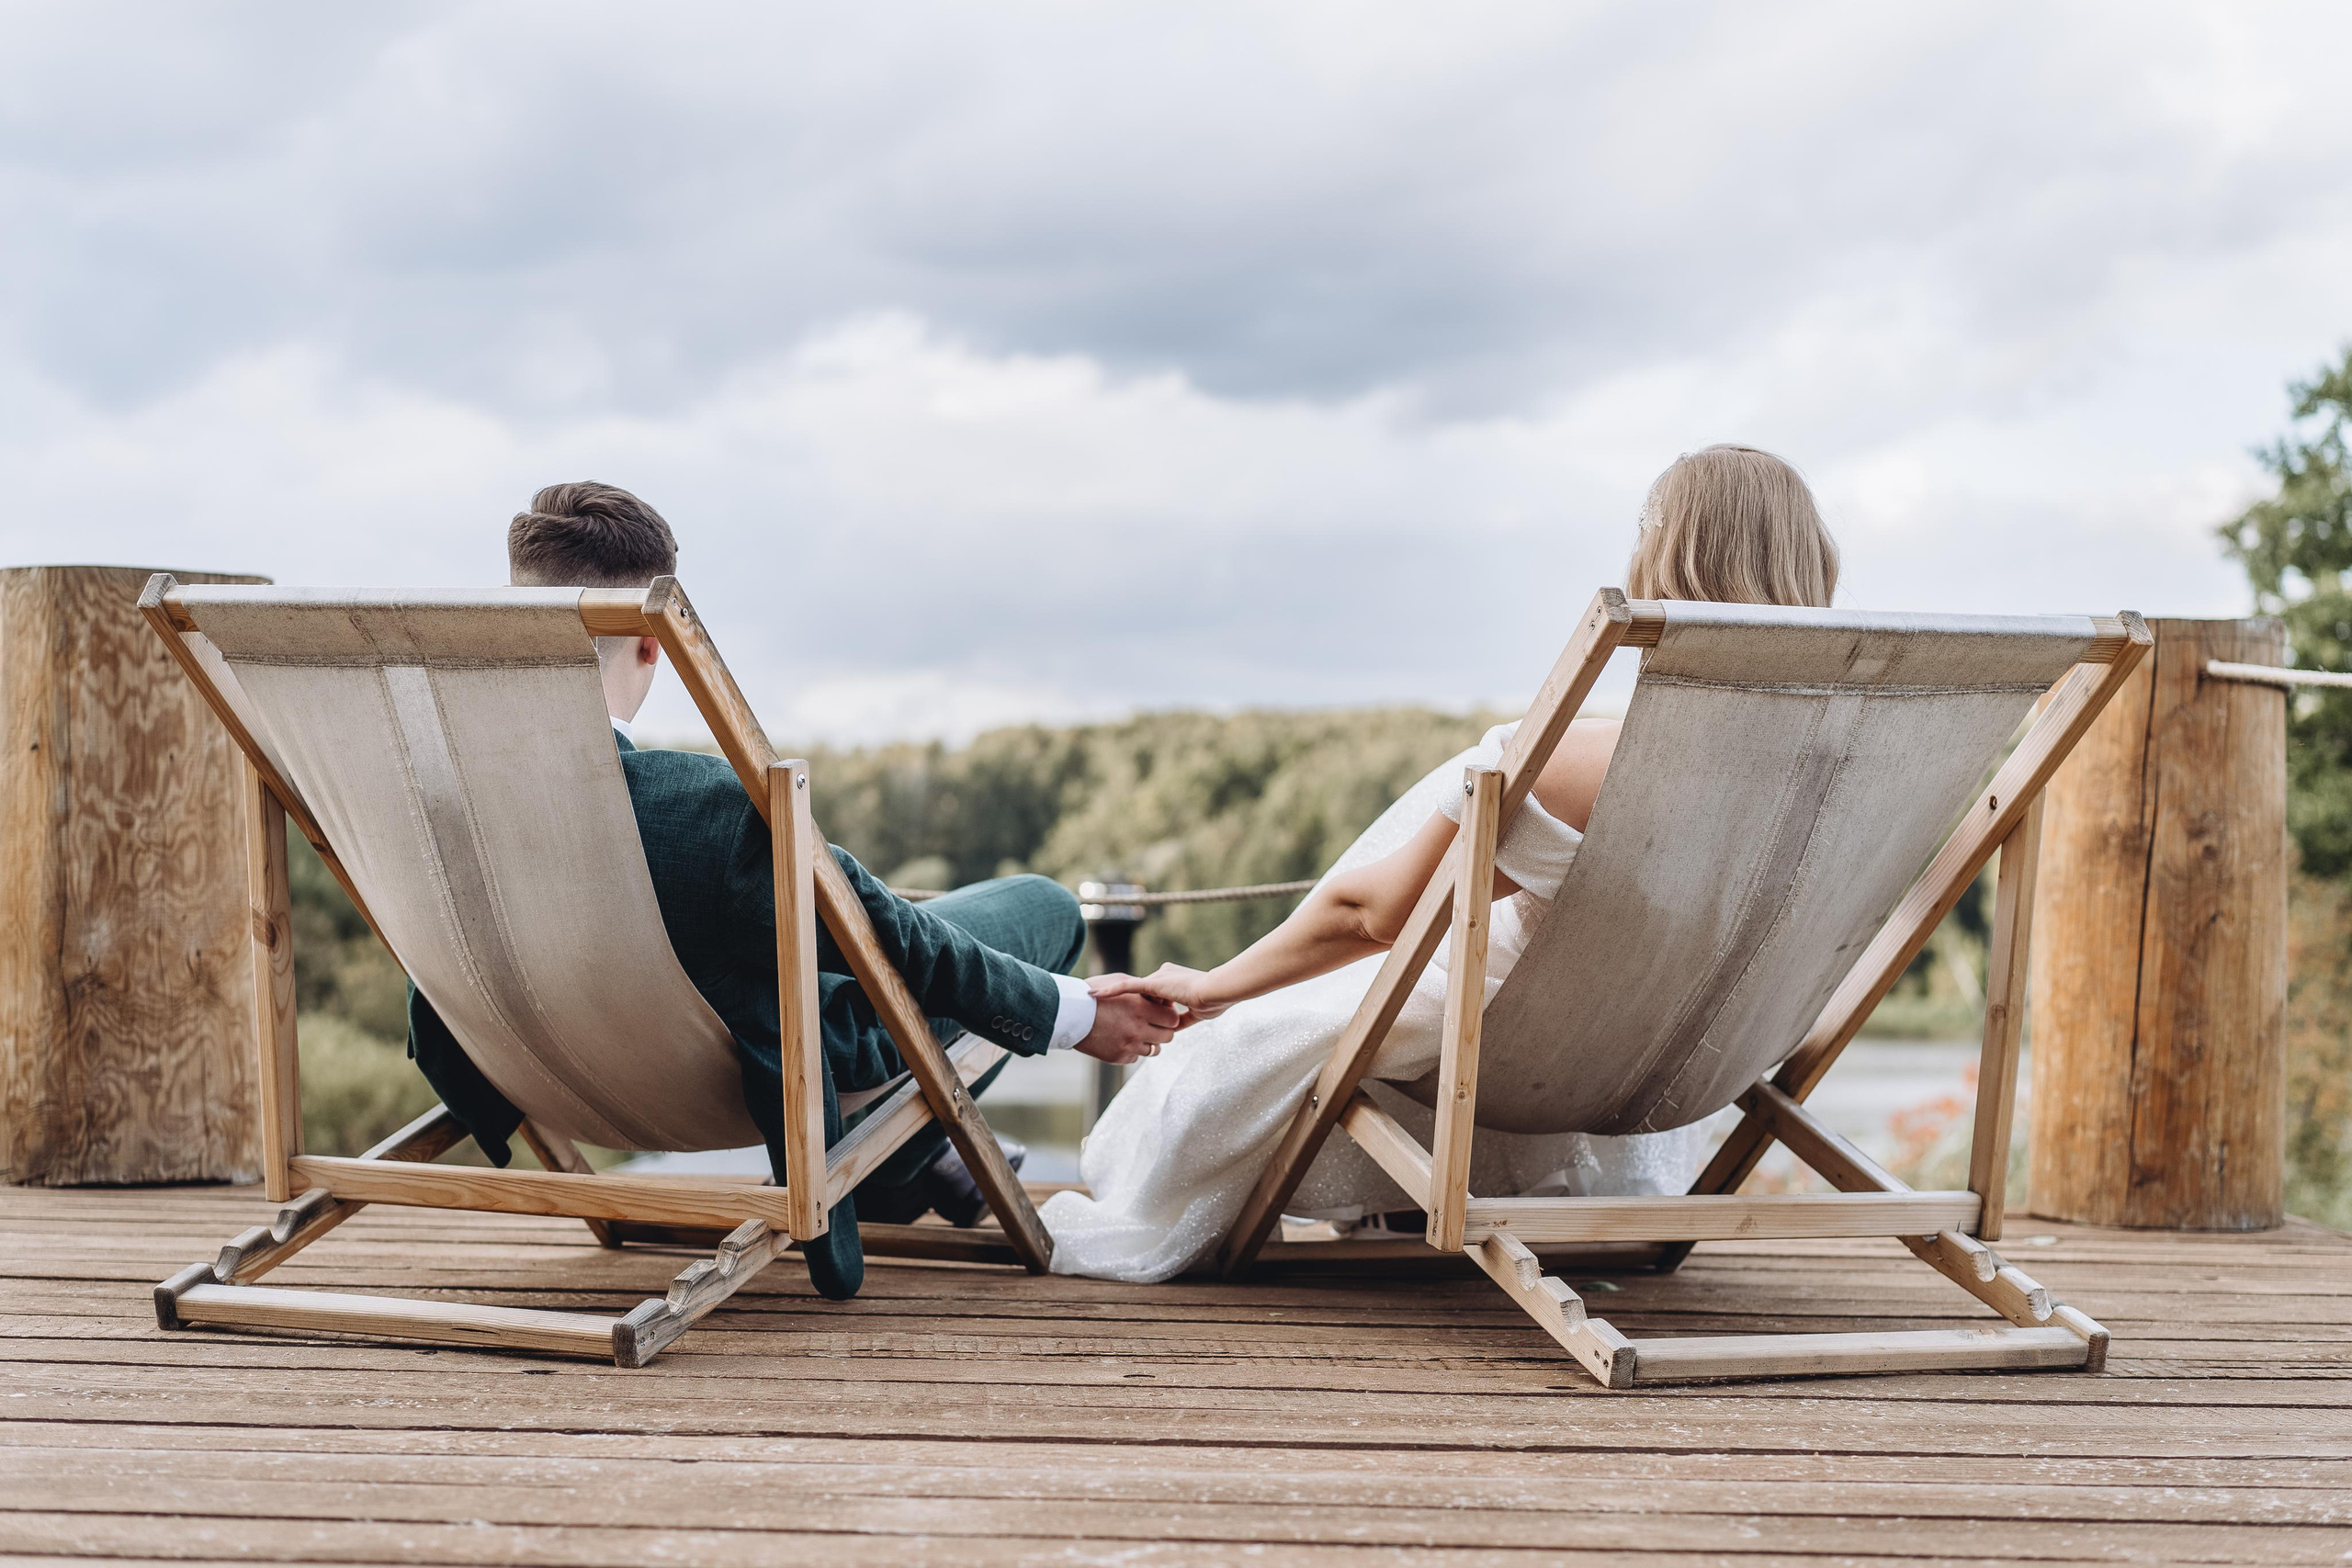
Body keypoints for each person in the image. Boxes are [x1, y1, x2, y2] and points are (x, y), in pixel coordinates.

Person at [1046, 445, 1842, 1282]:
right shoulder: (1844, 775)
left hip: (1521, 1056)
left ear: (1661, 565)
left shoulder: (1576, 765)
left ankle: (1399, 1189)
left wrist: (1211, 988)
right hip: (1698, 1055)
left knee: (1271, 1034)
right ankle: (1401, 1198)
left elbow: (1371, 914)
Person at [404, 481, 1182, 1299]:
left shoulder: (430, 803)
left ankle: (917, 1160)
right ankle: (905, 1159)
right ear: (651, 643)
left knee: (854, 934)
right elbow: (890, 941)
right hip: (742, 1071)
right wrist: (1081, 1016)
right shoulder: (699, 810)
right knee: (1042, 905)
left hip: (525, 1064)